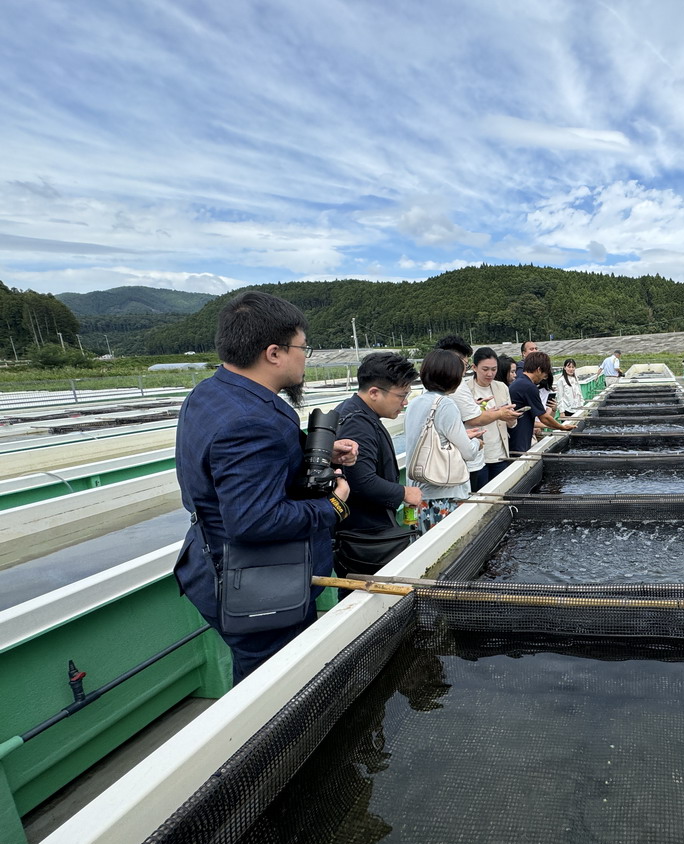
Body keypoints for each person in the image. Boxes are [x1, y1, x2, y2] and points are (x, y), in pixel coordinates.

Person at [173, 290, 359, 684]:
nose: (305, 357)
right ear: (274, 353)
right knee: (276, 690)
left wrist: (312, 453)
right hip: (255, 584)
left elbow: (233, 471)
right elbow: (254, 521)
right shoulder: (251, 421)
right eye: (302, 348)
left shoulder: (211, 392)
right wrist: (334, 505)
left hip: (209, 563)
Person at [333, 352, 421, 580]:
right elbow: (361, 481)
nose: (405, 402)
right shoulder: (358, 424)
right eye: (401, 395)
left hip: (362, 531)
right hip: (364, 537)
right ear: (374, 392)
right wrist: (403, 491)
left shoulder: (356, 412)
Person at [404, 349, 484, 532]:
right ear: (452, 377)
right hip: (443, 494)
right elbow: (468, 452)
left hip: (418, 492)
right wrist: (477, 443)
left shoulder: (415, 403)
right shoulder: (446, 404)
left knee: (423, 546)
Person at [453, 346, 520, 490]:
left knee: (500, 492)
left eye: (494, 369)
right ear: (474, 367)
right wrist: (496, 413)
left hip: (499, 453)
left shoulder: (502, 387)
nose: (490, 374)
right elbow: (470, 419)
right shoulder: (464, 390)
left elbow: (512, 424)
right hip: (477, 456)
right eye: (485, 369)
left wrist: (510, 417)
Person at [509, 350, 575, 453]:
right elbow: (544, 418)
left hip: (514, 436)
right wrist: (562, 427)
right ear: (539, 370)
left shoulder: (519, 381)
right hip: (519, 439)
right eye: (545, 374)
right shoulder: (528, 387)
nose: (544, 378)